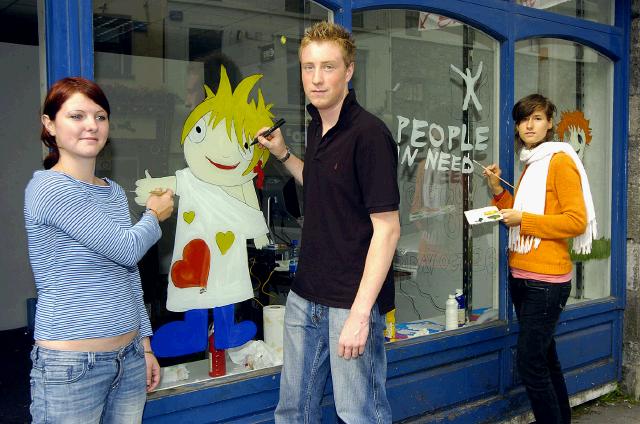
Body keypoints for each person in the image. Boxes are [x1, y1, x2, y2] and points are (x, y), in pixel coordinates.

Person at [256, 22, 401, 423]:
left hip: (351, 302)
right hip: (307, 294)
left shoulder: (370, 135)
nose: (316, 79)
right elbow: (323, 185)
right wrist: (284, 155)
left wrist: (359, 316)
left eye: (328, 67)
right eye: (308, 67)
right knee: (292, 412)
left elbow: (387, 229)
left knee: (359, 414)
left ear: (349, 71)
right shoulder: (318, 124)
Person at [24, 77, 174, 423]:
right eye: (77, 116)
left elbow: (128, 274)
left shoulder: (113, 191)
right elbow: (126, 249)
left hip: (129, 359)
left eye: (100, 116)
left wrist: (146, 345)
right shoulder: (47, 188)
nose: (91, 125)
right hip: (72, 369)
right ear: (50, 125)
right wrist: (154, 215)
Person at [482, 94, 597, 424]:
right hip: (522, 275)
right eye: (522, 120)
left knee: (531, 363)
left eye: (536, 118)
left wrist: (524, 220)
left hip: (546, 283)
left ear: (550, 123)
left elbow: (576, 221)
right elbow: (519, 211)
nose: (528, 125)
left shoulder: (559, 160)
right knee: (546, 358)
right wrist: (496, 189)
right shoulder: (532, 162)